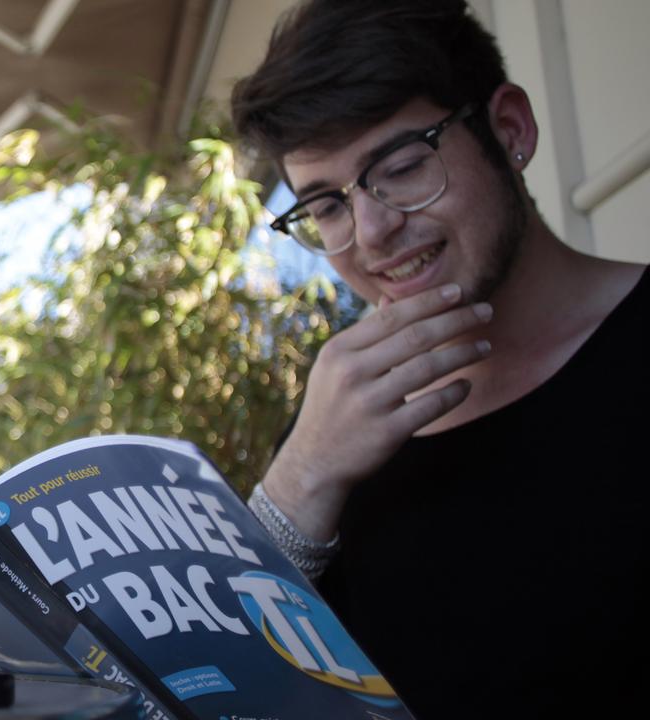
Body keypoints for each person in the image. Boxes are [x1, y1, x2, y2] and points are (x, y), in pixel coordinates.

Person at [229, 0, 647, 716]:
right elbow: (240, 688)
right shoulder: (333, 431)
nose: (371, 231)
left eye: (399, 165)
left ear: (508, 129)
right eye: (326, 205)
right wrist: (299, 480)